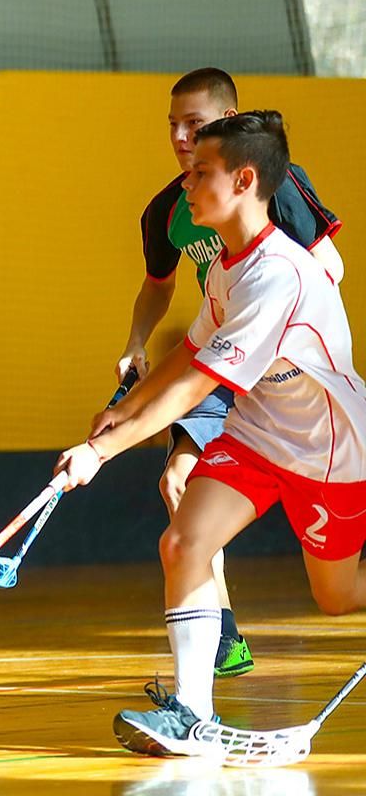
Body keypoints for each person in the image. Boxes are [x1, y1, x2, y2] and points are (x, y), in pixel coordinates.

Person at [55, 112, 366, 758]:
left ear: (244, 180)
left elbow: (198, 384)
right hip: (256, 433)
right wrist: (125, 409)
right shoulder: (228, 264)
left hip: (327, 451)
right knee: (183, 542)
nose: (187, 183)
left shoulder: (280, 275)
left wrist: (99, 452)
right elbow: (192, 349)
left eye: (201, 173)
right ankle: (192, 716)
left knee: (337, 598)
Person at [116, 67, 343, 678]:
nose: (180, 137)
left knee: (335, 581)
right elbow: (157, 285)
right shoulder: (169, 210)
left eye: (195, 123)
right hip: (222, 361)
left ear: (228, 122)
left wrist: (278, 328)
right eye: (172, 125)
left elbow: (330, 266)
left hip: (292, 380)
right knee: (177, 481)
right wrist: (137, 343)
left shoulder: (276, 184)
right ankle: (223, 638)